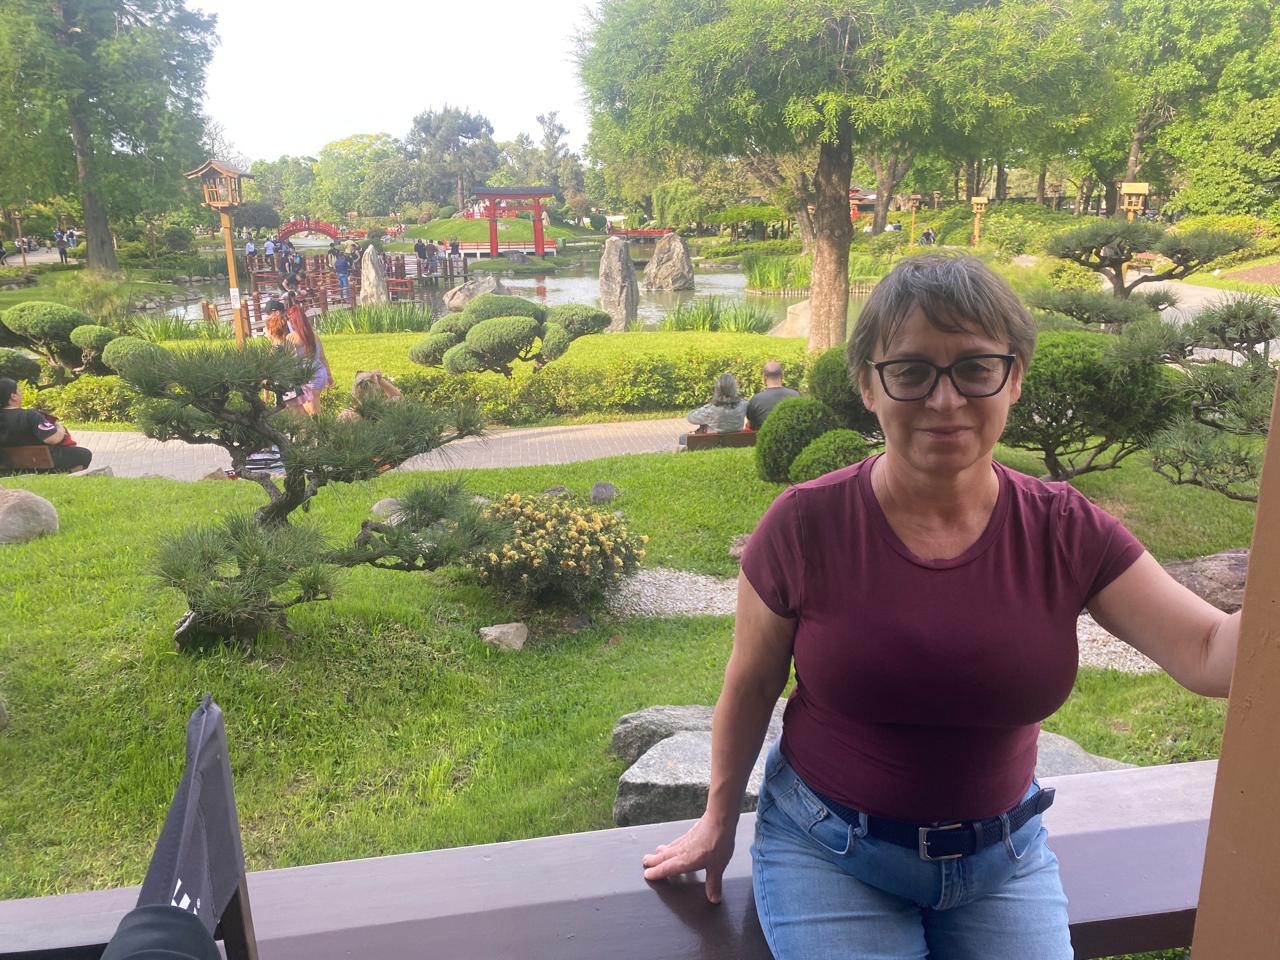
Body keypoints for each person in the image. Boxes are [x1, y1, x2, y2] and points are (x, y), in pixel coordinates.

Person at [641, 254, 1240, 958]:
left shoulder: (1064, 529)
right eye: (912, 371)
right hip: (831, 852)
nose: (945, 400)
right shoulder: (805, 525)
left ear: (1014, 377)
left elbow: (1210, 654)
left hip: (1002, 861)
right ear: (868, 383)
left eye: (975, 368)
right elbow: (750, 681)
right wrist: (718, 819)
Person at [0, 377, 93, 471]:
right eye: (19, 391)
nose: (21, 394)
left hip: (9, 465)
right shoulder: (29, 415)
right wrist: (60, 428)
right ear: (13, 396)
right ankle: (64, 473)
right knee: (85, 454)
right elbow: (53, 439)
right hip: (40, 463)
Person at [684, 372, 748, 440]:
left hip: (711, 443)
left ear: (717, 389)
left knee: (683, 438)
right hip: (736, 441)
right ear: (734, 388)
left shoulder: (711, 409)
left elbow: (690, 417)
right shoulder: (743, 405)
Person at [745, 360, 800, 430]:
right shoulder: (795, 395)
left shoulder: (756, 400)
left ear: (764, 376)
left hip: (763, 436)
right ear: (782, 375)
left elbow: (750, 425)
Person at [338, 369, 404, 421]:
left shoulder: (347, 415)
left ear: (354, 393)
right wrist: (380, 380)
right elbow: (398, 397)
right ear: (377, 391)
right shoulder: (386, 407)